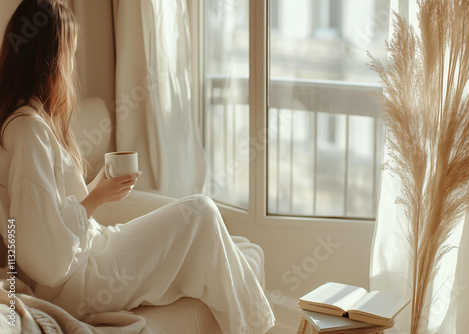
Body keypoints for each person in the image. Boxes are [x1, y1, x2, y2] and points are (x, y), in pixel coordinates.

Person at [0, 1, 275, 333]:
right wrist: (96, 199)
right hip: (75, 284)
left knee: (224, 237)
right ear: (50, 59)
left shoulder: (29, 123)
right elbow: (44, 258)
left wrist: (97, 187)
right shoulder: (29, 131)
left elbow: (46, 217)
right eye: (69, 54)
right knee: (201, 212)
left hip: (90, 255)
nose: (71, 67)